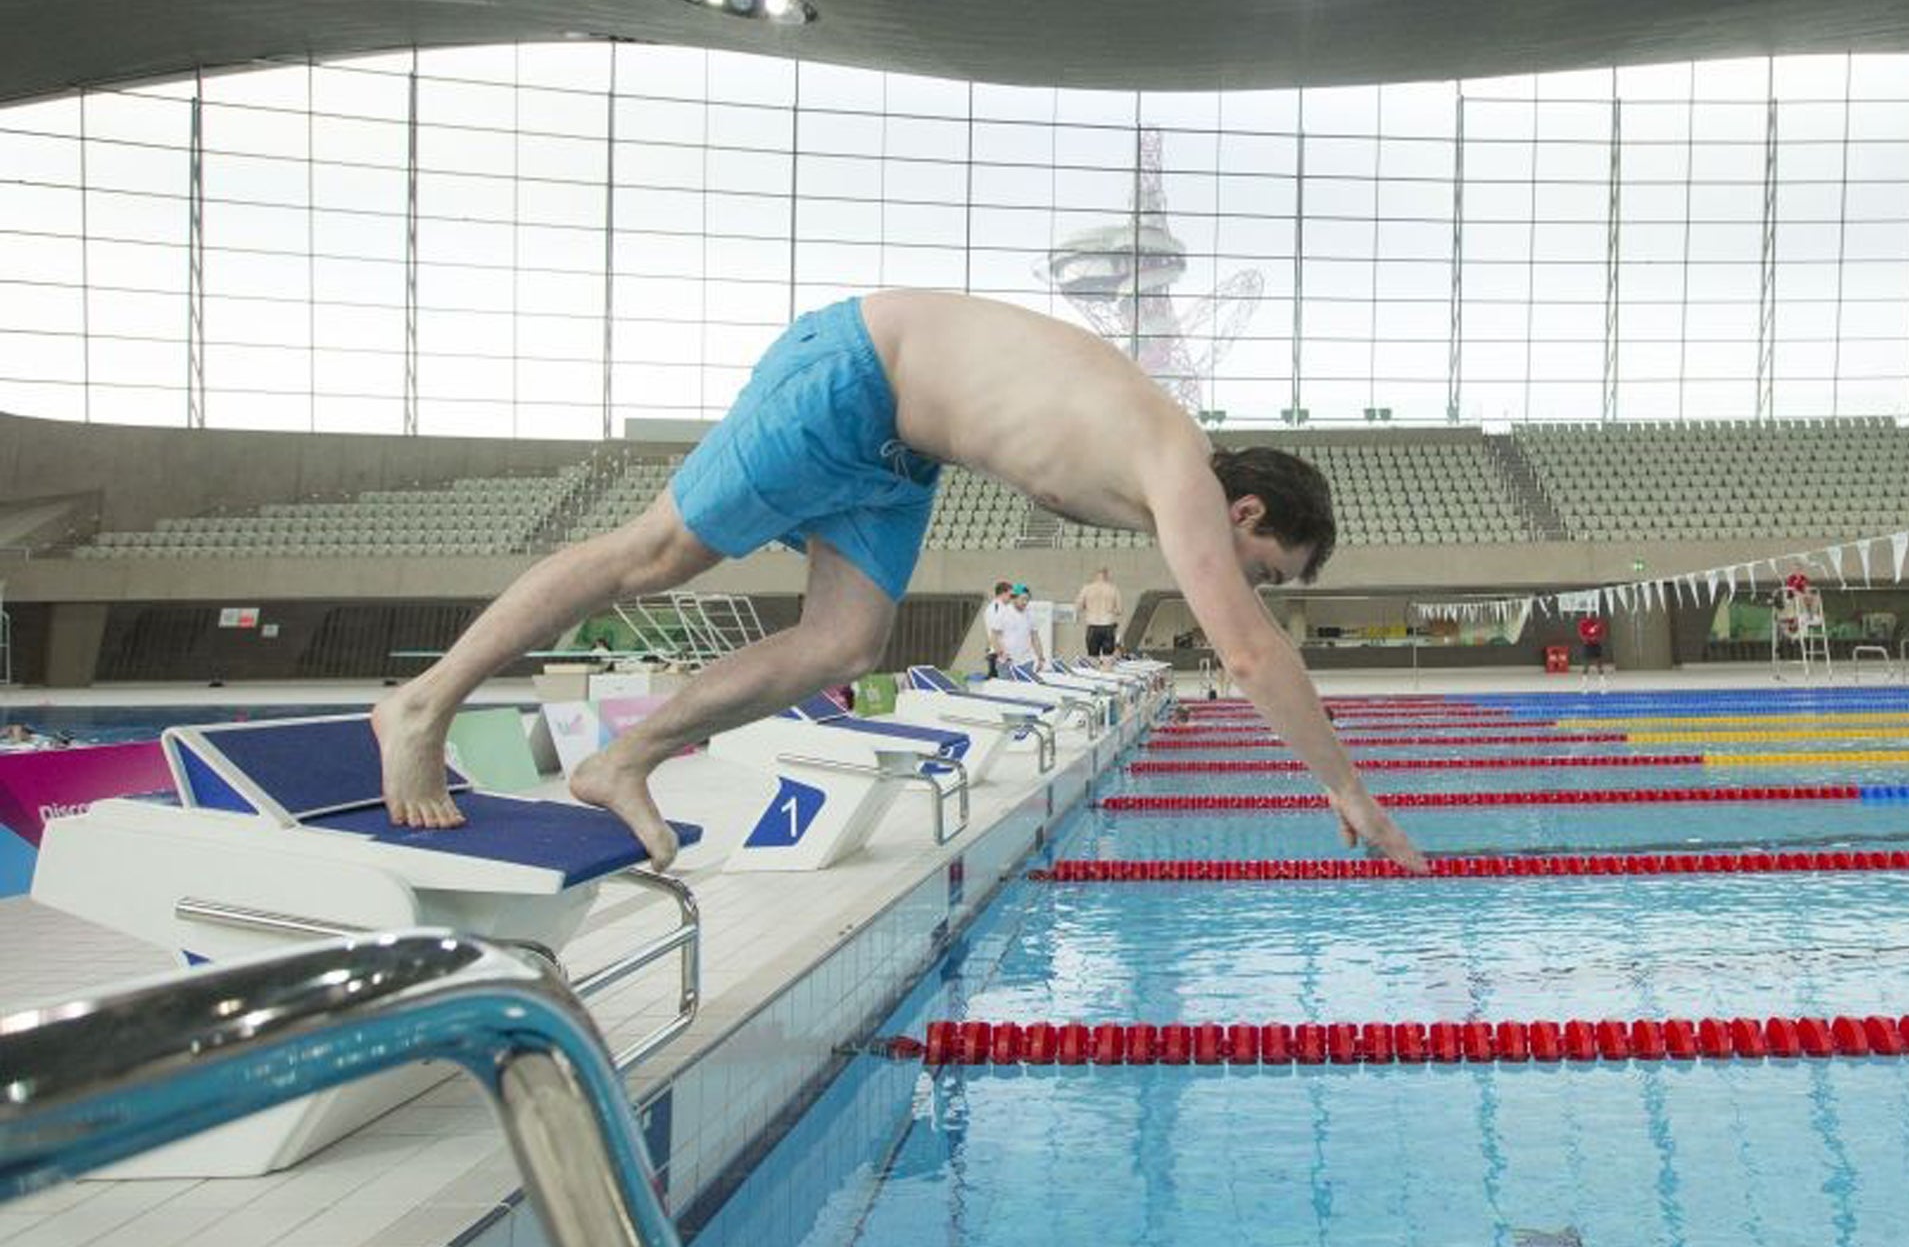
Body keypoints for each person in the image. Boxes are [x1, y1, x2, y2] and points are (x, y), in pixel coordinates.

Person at [375, 291, 1426, 874]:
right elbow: (1247, 652)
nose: (1246, 585)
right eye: (1264, 569)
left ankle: (625, 760)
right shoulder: (1185, 476)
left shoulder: (1165, 470)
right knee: (658, 557)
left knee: (843, 645)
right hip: (854, 378)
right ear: (1246, 516)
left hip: (900, 452)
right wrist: (1344, 786)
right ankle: (425, 702)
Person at [993, 583, 1044, 671]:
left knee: (1026, 685)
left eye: (1027, 599)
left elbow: (1035, 637)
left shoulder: (1030, 615)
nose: (1025, 602)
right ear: (1014, 598)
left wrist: (1040, 658)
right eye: (1023, 599)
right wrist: (1001, 653)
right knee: (1007, 685)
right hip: (1007, 663)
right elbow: (994, 636)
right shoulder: (1003, 613)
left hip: (1026, 662)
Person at [1075, 567, 1123, 660]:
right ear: (1107, 575)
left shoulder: (1087, 588)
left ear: (1095, 576)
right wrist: (1108, 609)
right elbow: (1119, 610)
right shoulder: (1113, 589)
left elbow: (1078, 607)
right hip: (1108, 624)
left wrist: (1089, 607)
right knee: (1108, 658)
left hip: (1092, 625)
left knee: (1093, 658)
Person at [982, 579, 1013, 677]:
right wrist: (1001, 655)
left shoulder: (1001, 607)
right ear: (1003, 593)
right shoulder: (996, 609)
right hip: (999, 654)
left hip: (999, 653)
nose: (1011, 598)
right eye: (1010, 594)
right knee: (1002, 687)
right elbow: (994, 633)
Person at [1576, 611, 1610, 690]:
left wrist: (1596, 639)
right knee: (1586, 665)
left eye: (1592, 614)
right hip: (1587, 645)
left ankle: (1603, 683)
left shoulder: (1598, 624)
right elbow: (1581, 634)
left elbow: (1602, 634)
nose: (1590, 615)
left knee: (1599, 664)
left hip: (1596, 646)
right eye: (1589, 614)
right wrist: (1588, 639)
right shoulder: (1583, 624)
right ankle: (1584, 684)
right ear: (1586, 615)